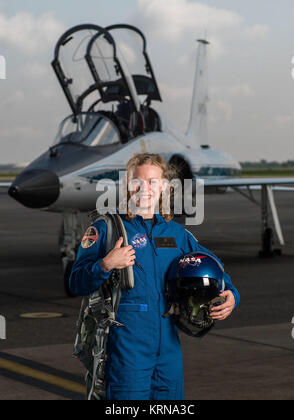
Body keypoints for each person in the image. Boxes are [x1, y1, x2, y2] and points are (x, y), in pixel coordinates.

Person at [69, 153, 240, 400]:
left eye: (153, 182)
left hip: (168, 347)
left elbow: (214, 268)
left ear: (164, 187)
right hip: (127, 345)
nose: (145, 189)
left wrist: (231, 295)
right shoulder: (106, 229)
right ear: (128, 185)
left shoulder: (177, 234)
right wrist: (106, 264)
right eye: (138, 182)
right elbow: (76, 282)